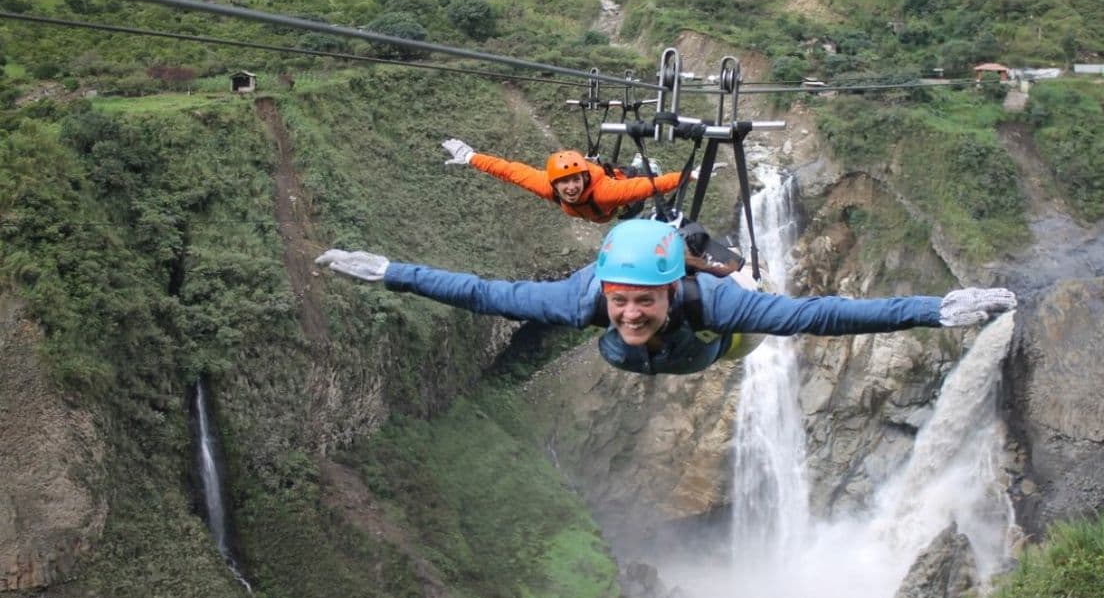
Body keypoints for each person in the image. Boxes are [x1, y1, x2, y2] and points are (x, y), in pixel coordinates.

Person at [314, 219, 1017, 377]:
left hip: (710, 346)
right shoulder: (582, 299)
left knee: (763, 324)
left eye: (640, 303)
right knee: (614, 350)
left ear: (669, 288)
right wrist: (389, 270)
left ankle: (725, 251)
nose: (626, 312)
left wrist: (938, 307)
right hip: (645, 356)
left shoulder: (720, 303)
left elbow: (823, 314)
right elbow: (479, 292)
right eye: (619, 301)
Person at [439, 139, 720, 224]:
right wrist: (470, 157)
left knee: (637, 189)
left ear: (584, 178)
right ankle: (634, 166)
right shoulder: (547, 185)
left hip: (621, 205)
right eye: (564, 183)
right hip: (601, 208)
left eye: (575, 181)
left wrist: (690, 175)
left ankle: (642, 165)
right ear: (555, 184)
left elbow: (649, 187)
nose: (570, 188)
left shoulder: (605, 193)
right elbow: (510, 171)